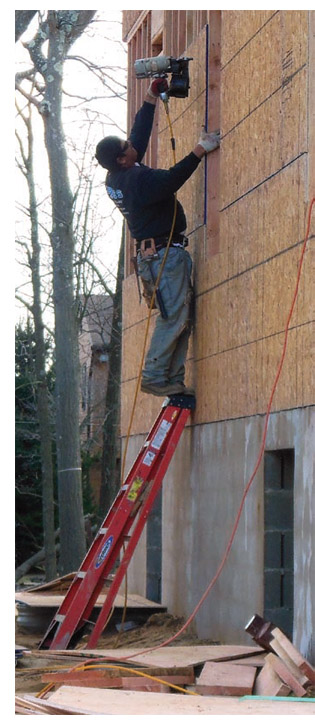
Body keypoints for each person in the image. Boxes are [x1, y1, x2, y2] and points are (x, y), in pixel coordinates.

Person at [95, 78, 220, 397]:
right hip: (164, 257)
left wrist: (150, 97)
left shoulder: (118, 176)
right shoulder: (138, 180)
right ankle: (154, 375)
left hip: (154, 257)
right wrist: (199, 150)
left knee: (181, 317)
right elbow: (170, 180)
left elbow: (138, 137)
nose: (132, 145)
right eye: (126, 148)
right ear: (123, 159)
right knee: (174, 318)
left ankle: (172, 378)